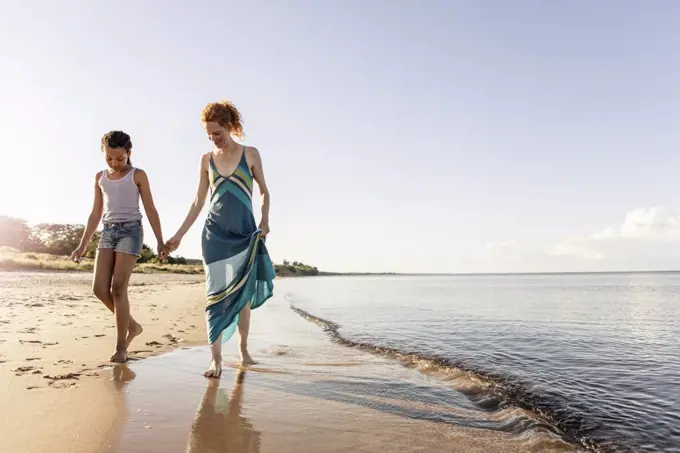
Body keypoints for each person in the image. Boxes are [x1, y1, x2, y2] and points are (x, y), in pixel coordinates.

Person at [166, 100, 275, 377]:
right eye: (209, 135)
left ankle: (244, 349)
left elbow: (264, 191)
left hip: (244, 234)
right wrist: (178, 235)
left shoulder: (250, 154)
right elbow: (197, 202)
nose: (215, 139)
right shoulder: (206, 160)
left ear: (229, 126)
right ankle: (215, 359)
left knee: (242, 295)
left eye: (218, 133)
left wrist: (265, 220)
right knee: (214, 294)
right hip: (214, 236)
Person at [71, 130, 166, 363]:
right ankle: (132, 326)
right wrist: (82, 244)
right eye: (109, 159)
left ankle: (121, 347)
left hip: (131, 231)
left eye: (120, 159)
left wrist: (160, 241)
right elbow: (96, 213)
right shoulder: (99, 177)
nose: (114, 163)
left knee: (118, 288)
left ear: (129, 153)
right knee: (98, 289)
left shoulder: (138, 175)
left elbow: (151, 209)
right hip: (108, 231)